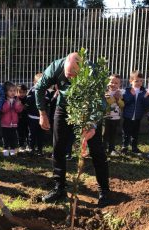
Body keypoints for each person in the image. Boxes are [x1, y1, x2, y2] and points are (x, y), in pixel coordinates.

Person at [36, 52, 110, 207]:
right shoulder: (55, 67)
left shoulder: (92, 72)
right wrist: (42, 113)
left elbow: (100, 101)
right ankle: (59, 188)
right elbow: (39, 88)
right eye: (68, 75)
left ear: (82, 69)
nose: (70, 79)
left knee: (97, 150)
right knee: (58, 148)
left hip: (87, 110)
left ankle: (104, 191)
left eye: (74, 76)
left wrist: (93, 124)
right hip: (64, 107)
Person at [121, 70, 149, 155]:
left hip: (138, 117)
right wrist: (132, 95)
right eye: (136, 81)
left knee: (135, 133)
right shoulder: (127, 91)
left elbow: (146, 106)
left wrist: (145, 97)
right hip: (128, 116)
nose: (139, 83)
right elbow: (126, 102)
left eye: (141, 81)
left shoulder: (144, 92)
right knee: (126, 132)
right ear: (131, 81)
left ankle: (134, 147)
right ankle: (124, 146)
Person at [103, 74, 124, 156]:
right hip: (106, 117)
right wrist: (113, 98)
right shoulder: (105, 93)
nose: (113, 84)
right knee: (105, 134)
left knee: (113, 134)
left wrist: (118, 99)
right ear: (108, 82)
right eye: (111, 82)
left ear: (119, 85)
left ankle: (112, 149)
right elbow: (108, 103)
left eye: (116, 83)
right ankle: (104, 149)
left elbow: (122, 105)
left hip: (116, 118)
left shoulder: (120, 93)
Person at [26, 73, 46, 156]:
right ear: (34, 82)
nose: (40, 84)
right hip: (32, 117)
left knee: (40, 135)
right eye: (38, 82)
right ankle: (31, 148)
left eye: (42, 82)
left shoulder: (46, 91)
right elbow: (27, 102)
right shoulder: (32, 91)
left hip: (42, 118)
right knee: (32, 134)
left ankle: (40, 149)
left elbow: (48, 101)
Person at [1, 81, 23, 156]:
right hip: (5, 123)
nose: (13, 92)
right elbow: (3, 110)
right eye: (10, 91)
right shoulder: (3, 100)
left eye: (14, 91)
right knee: (5, 137)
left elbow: (19, 110)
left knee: (13, 137)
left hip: (14, 123)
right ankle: (6, 149)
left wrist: (17, 104)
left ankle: (13, 149)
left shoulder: (17, 100)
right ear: (6, 92)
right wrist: (8, 103)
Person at [16, 84, 29, 153]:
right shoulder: (15, 99)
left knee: (27, 132)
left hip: (27, 119)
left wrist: (22, 105)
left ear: (26, 92)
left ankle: (28, 145)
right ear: (17, 92)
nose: (22, 94)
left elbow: (26, 107)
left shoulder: (27, 98)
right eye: (20, 92)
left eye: (23, 92)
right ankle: (21, 145)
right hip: (18, 120)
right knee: (20, 133)